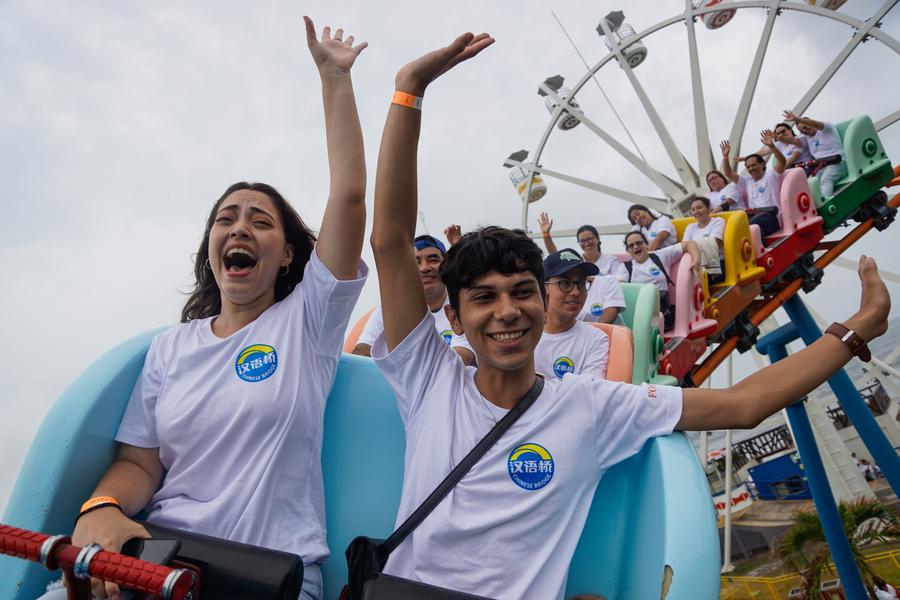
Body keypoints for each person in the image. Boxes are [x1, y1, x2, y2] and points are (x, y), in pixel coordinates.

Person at [369, 32, 889, 599]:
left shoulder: (592, 406)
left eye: (522, 291)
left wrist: (860, 325)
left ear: (542, 303)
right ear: (455, 314)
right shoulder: (428, 380)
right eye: (484, 298)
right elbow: (388, 239)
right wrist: (408, 93)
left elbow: (744, 404)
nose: (507, 312)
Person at [44, 18, 368, 600]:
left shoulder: (308, 322)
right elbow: (141, 465)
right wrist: (103, 505)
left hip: (267, 575)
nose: (239, 226)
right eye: (226, 218)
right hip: (160, 562)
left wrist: (334, 80)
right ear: (211, 246)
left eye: (260, 221)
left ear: (289, 254)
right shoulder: (171, 347)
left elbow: (348, 197)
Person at [353, 234, 475, 365]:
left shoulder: (463, 303)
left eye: (433, 260)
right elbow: (362, 352)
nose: (424, 268)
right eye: (416, 262)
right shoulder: (389, 308)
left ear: (446, 267)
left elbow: (460, 360)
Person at [534, 249, 610, 379]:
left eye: (581, 283)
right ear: (543, 287)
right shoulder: (525, 334)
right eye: (565, 283)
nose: (576, 292)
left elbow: (588, 391)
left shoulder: (595, 339)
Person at [617, 231, 701, 331]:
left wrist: (696, 260)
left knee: (651, 323)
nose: (635, 247)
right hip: (639, 309)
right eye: (631, 246)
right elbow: (620, 286)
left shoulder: (660, 256)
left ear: (646, 244)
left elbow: (690, 243)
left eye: (639, 243)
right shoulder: (626, 267)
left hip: (661, 307)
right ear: (628, 251)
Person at [720, 130, 787, 237]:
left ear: (762, 164)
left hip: (772, 217)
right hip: (754, 216)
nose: (751, 168)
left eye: (753, 165)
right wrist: (725, 157)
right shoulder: (746, 181)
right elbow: (728, 173)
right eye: (748, 167)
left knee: (752, 225)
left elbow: (782, 162)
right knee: (733, 226)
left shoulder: (771, 175)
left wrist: (772, 147)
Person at [784, 109, 848, 198]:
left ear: (809, 123)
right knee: (811, 184)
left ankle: (826, 203)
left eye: (805, 127)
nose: (805, 131)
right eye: (802, 131)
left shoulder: (825, 128)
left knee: (826, 179)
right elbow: (794, 140)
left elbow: (815, 124)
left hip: (838, 162)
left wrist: (796, 119)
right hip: (822, 166)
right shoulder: (807, 138)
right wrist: (778, 138)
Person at [538, 213, 619, 276]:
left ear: (597, 238)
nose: (586, 244)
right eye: (582, 241)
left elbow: (621, 282)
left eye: (589, 239)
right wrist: (546, 234)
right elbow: (556, 256)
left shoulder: (611, 260)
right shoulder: (577, 260)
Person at [683, 197, 725, 284]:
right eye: (693, 209)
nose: (696, 211)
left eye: (699, 207)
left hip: (715, 266)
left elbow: (714, 243)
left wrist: (691, 247)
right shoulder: (690, 227)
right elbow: (684, 246)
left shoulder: (718, 221)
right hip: (695, 264)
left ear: (708, 209)